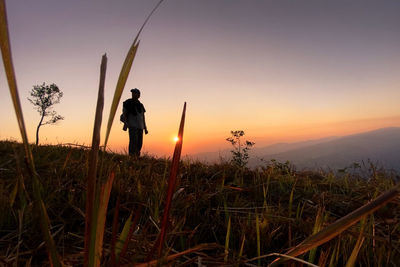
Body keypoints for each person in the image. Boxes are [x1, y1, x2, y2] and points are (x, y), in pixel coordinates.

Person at [122, 88, 148, 157]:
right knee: (133, 141)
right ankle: (131, 156)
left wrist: (145, 128)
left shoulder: (141, 105)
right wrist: (125, 123)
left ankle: (137, 156)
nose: (133, 94)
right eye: (132, 93)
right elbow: (124, 113)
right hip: (132, 125)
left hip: (140, 126)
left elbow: (143, 117)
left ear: (139, 95)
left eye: (135, 93)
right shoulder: (127, 103)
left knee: (139, 143)